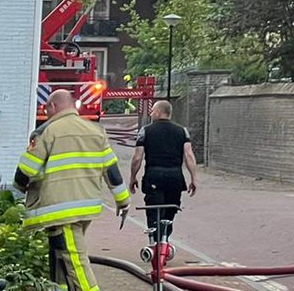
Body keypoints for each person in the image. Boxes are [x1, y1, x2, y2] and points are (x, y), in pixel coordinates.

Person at [14, 89, 130, 291]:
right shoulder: (96, 131)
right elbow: (111, 171)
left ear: (53, 107)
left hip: (60, 211)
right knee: (61, 258)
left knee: (76, 261)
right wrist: (123, 201)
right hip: (87, 207)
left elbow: (26, 170)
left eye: (46, 108)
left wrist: (17, 192)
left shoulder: (45, 132)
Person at [130, 100, 198, 239]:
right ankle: (165, 237)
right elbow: (189, 155)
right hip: (175, 177)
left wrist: (133, 177)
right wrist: (193, 179)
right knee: (171, 208)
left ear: (160, 112)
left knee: (154, 209)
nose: (151, 113)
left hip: (154, 175)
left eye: (153, 111)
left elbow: (137, 157)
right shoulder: (182, 131)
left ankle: (154, 240)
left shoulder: (146, 130)